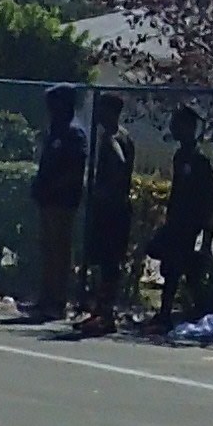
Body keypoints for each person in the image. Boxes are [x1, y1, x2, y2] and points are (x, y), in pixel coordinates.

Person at [152, 104, 213, 329]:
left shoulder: (199, 159)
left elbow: (210, 196)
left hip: (190, 225)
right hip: (176, 222)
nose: (174, 128)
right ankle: (167, 312)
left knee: (185, 270)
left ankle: (198, 313)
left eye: (178, 124)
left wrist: (206, 232)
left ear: (189, 127)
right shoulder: (180, 156)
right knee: (171, 268)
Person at [23, 86, 87, 322]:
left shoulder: (74, 134)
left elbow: (74, 169)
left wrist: (54, 186)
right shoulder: (54, 131)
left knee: (60, 252)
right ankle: (44, 297)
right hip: (47, 201)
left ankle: (58, 302)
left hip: (62, 202)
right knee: (47, 250)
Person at [78, 94, 138, 332]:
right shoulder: (123, 136)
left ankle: (105, 315)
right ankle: (100, 311)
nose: (98, 114)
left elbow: (119, 163)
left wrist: (102, 192)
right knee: (105, 263)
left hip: (112, 209)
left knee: (108, 262)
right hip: (114, 208)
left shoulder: (113, 138)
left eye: (102, 110)